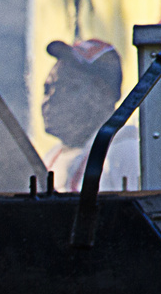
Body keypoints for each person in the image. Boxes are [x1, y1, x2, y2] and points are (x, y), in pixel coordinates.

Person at [40, 38, 139, 193]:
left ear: (104, 94)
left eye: (68, 88)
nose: (50, 99)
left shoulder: (124, 151)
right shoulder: (51, 159)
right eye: (48, 89)